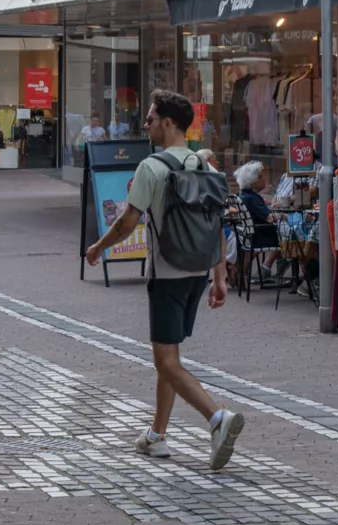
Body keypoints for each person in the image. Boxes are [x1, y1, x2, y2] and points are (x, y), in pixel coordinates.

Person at [86, 90, 243, 471]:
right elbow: (215, 224)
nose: (146, 124)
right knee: (168, 356)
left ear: (168, 123)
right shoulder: (204, 166)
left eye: (151, 118)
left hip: (168, 273)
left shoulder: (151, 168)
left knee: (167, 360)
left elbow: (127, 223)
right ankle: (156, 436)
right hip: (198, 272)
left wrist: (97, 248)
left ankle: (217, 418)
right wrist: (219, 276)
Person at [233, 160, 280, 282]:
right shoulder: (253, 199)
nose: (264, 178)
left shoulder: (243, 195)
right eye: (260, 176)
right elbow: (270, 218)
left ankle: (243, 268)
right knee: (292, 235)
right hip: (261, 236)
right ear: (253, 183)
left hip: (249, 235)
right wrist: (283, 215)